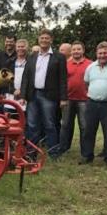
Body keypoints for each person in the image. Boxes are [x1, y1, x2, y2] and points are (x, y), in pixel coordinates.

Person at [19, 29, 68, 158]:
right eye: (42, 38)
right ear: (38, 40)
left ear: (51, 40)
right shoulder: (32, 57)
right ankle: (31, 153)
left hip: (49, 96)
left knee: (50, 125)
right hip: (33, 95)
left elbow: (63, 79)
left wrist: (63, 98)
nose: (44, 40)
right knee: (32, 125)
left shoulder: (59, 57)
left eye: (47, 38)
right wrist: (23, 96)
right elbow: (26, 77)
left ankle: (53, 153)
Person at [59, 41, 91, 155]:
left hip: (84, 99)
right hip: (68, 99)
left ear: (83, 50)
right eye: (74, 49)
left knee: (84, 126)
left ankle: (85, 152)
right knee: (66, 125)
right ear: (71, 51)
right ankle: (63, 148)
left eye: (78, 49)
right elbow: (61, 81)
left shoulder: (90, 64)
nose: (76, 51)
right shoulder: (65, 64)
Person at [7, 38, 29, 109]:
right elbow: (7, 79)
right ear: (15, 48)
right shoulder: (10, 62)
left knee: (24, 117)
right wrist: (13, 90)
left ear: (27, 47)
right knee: (11, 117)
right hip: (12, 94)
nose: (20, 49)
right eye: (18, 47)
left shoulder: (31, 62)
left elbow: (31, 79)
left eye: (22, 47)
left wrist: (22, 90)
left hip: (26, 96)